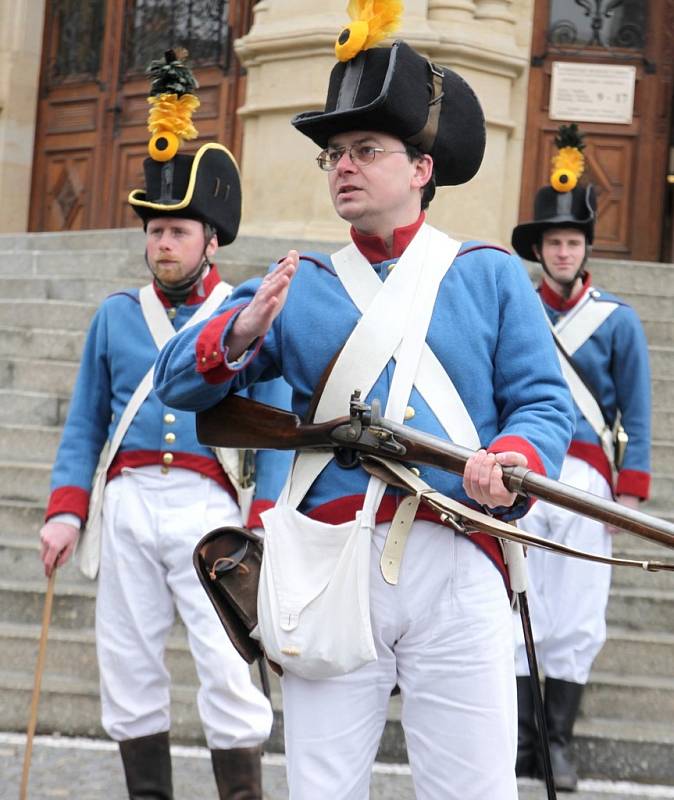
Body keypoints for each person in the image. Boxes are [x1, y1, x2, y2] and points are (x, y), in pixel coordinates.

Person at [153, 17, 575, 800]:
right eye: (334, 154)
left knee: (473, 789)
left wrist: (512, 458)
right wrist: (242, 329)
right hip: (330, 561)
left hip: (458, 554)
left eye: (365, 150)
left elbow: (544, 403)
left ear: (421, 167)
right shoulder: (299, 282)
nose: (343, 167)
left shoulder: (487, 276)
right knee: (321, 789)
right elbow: (178, 381)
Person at [38, 51, 291, 800]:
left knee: (226, 665)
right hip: (126, 508)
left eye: (178, 231)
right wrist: (65, 511)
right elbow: (85, 422)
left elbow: (275, 418)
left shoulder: (243, 315)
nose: (162, 244)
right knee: (127, 663)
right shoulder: (116, 316)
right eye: (154, 232)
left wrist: (268, 509)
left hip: (209, 507)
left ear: (212, 239)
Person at [510, 125, 652, 791]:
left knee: (577, 610)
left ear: (585, 249)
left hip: (590, 479)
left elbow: (636, 410)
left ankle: (557, 744)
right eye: (553, 242)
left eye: (572, 242)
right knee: (516, 604)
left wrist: (629, 491)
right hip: (523, 472)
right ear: (538, 250)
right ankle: (522, 738)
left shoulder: (617, 320)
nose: (563, 252)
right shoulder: (518, 312)